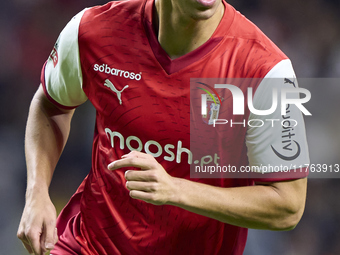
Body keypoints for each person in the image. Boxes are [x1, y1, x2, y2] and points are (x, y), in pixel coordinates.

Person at [17, 0, 310, 254]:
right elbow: (51, 104)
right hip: (88, 244)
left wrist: (176, 190)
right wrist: (37, 193)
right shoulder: (95, 30)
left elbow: (287, 204)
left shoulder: (264, 72)